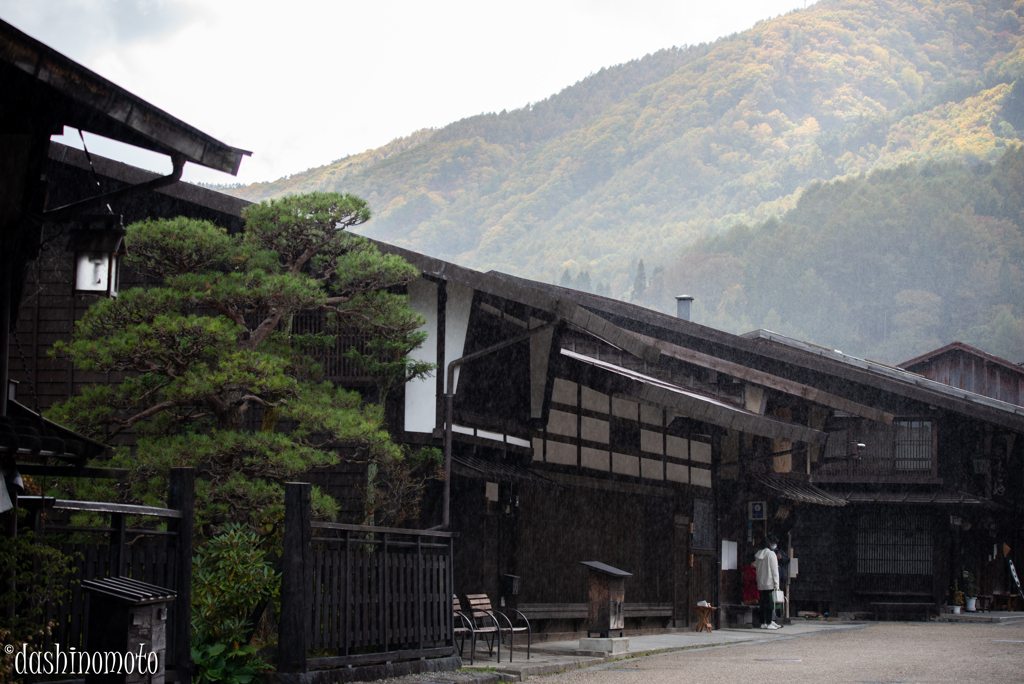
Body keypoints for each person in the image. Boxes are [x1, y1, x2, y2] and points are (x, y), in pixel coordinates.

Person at [754, 534, 780, 630]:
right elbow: (774, 571)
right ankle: (769, 622)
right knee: (769, 604)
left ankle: (762, 622)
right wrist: (777, 584)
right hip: (769, 583)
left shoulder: (758, 555)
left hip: (761, 583)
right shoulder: (771, 554)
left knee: (762, 604)